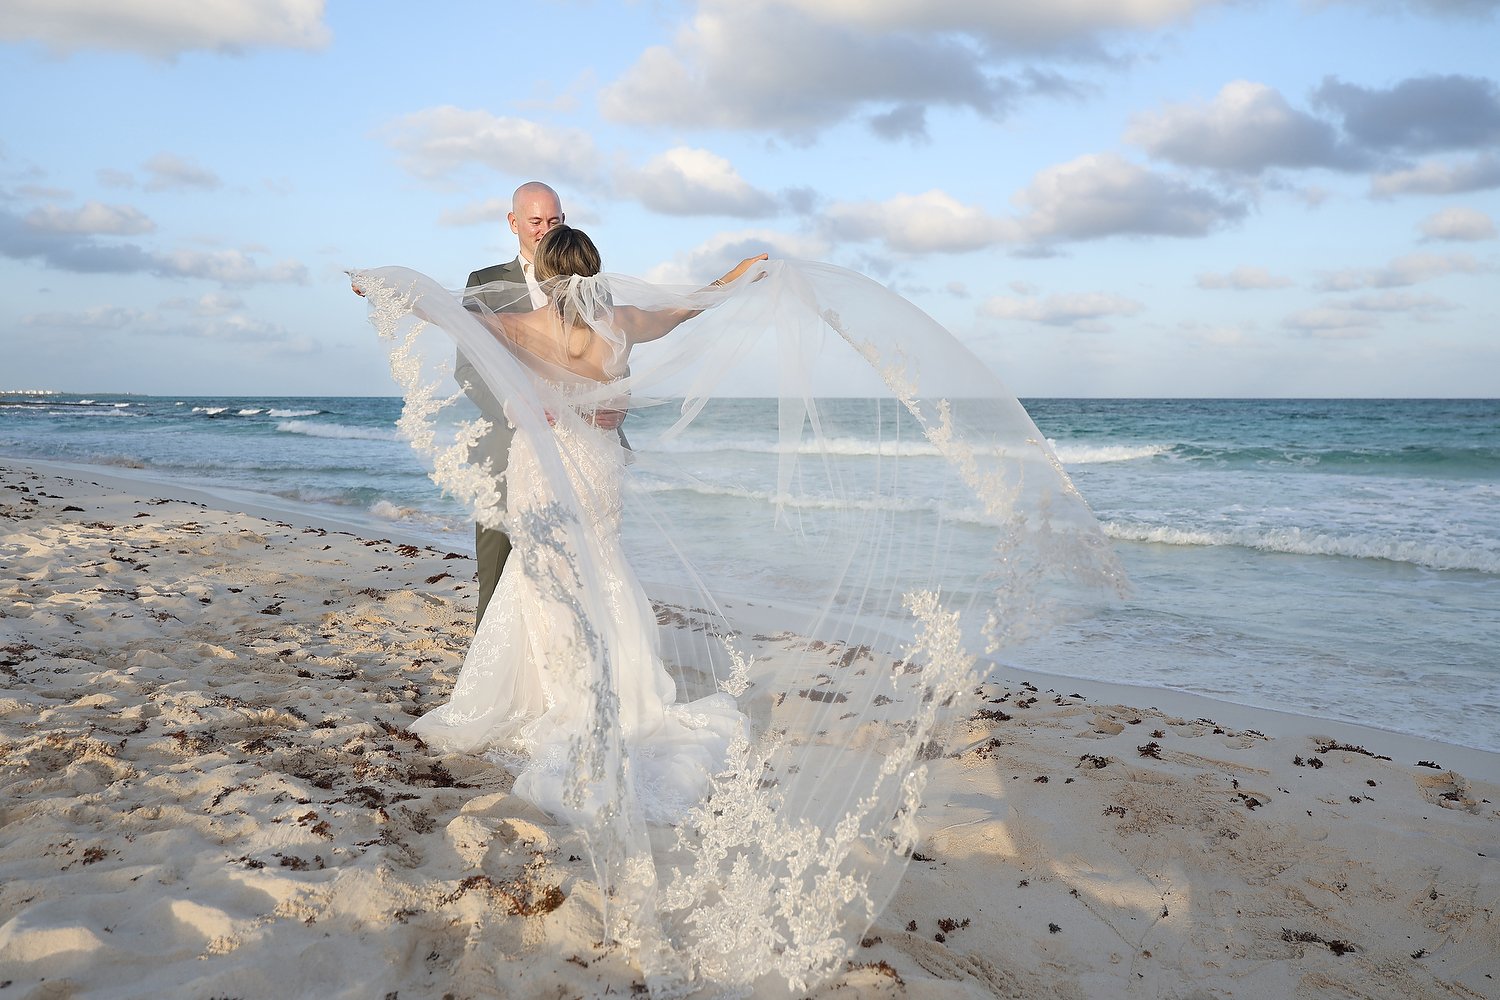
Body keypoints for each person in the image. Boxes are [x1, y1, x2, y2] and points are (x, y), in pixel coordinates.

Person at [458, 181, 565, 628]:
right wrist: (511, 406)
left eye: (554, 221)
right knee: (497, 570)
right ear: (513, 222)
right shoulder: (484, 283)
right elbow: (468, 368)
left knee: (575, 573)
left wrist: (616, 402)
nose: (544, 230)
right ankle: (487, 661)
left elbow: (614, 352)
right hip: (506, 446)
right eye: (535, 221)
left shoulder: (588, 282)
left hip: (576, 445)